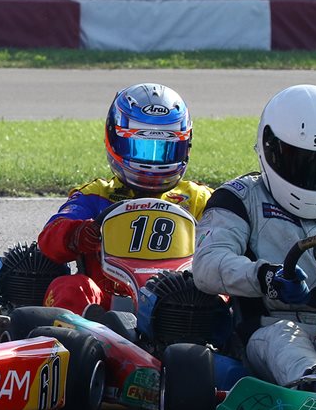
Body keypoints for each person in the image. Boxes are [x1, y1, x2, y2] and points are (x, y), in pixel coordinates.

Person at [193, 84, 316, 387]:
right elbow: (207, 264)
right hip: (269, 328)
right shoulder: (240, 198)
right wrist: (265, 277)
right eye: (302, 161)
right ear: (270, 148)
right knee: (285, 338)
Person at [37, 83, 212, 314]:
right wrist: (76, 233)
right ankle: (77, 336)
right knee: (71, 288)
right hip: (106, 308)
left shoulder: (198, 199)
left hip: (181, 305)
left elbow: (229, 244)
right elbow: (49, 239)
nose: (152, 163)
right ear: (114, 140)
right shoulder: (97, 194)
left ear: (185, 146)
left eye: (164, 150)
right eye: (141, 148)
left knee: (220, 291)